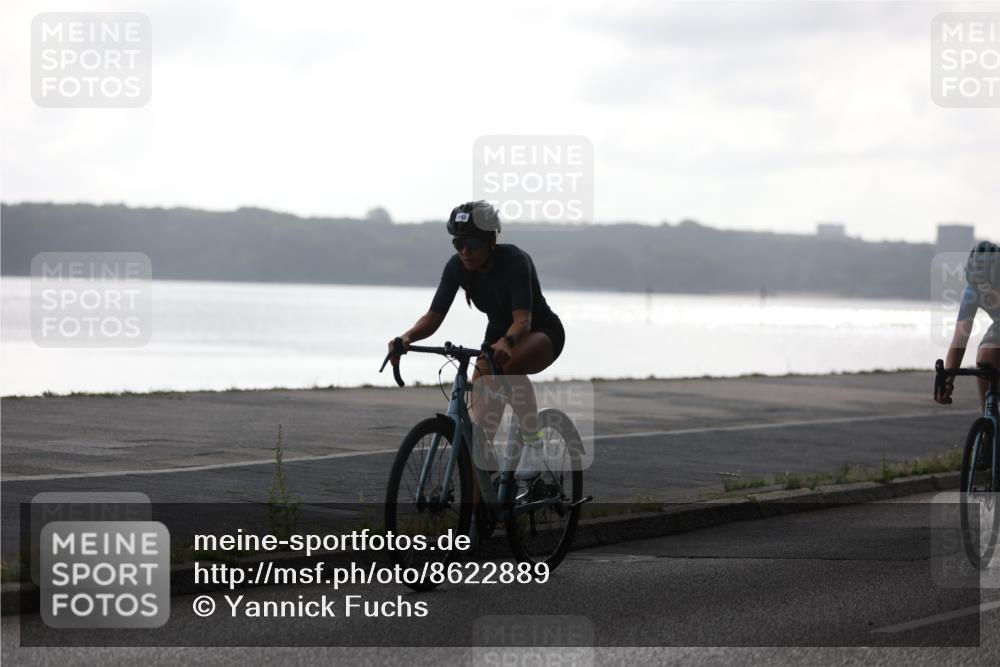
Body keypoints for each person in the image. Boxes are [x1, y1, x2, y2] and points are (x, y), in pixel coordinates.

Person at [388, 200, 565, 480]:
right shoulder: (458, 266)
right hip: (496, 340)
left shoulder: (515, 261)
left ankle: (534, 442)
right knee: (480, 437)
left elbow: (523, 321)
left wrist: (508, 342)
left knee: (509, 369)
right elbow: (433, 317)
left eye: (470, 242)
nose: (464, 251)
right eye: (458, 243)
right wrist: (407, 337)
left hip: (540, 333)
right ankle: (482, 511)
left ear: (490, 240)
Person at [936, 241, 1000, 411]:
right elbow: (959, 340)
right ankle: (987, 416)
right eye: (980, 286)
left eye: (993, 286)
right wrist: (948, 381)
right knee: (985, 359)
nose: (986, 291)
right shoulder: (972, 292)